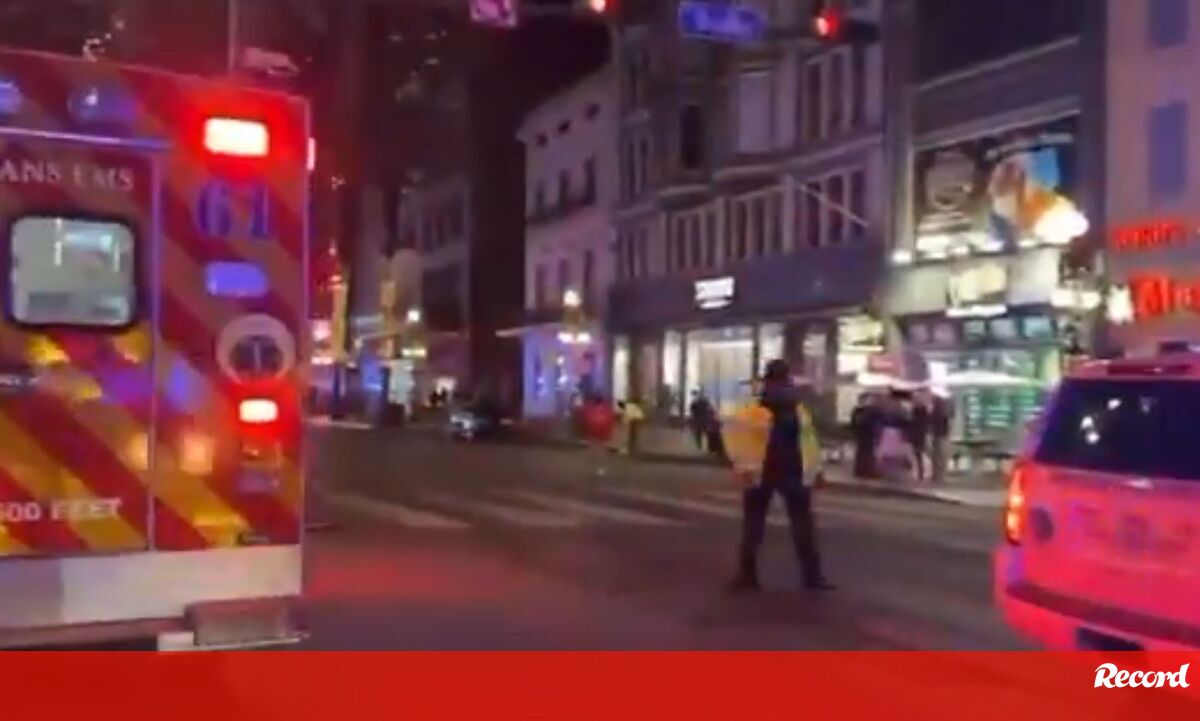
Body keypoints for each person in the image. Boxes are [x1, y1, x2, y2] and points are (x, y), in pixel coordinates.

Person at [723, 360, 832, 592]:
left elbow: (734, 438)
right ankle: (812, 577)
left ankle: (747, 576)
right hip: (793, 470)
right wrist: (816, 471)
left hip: (760, 471)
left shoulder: (753, 408)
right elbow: (809, 442)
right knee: (802, 525)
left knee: (754, 526)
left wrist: (740, 466)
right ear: (787, 378)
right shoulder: (798, 408)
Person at [849, 392, 880, 479]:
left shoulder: (867, 410)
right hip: (864, 434)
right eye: (869, 399)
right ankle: (863, 471)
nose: (870, 401)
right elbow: (857, 422)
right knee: (864, 453)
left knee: (866, 452)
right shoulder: (861, 410)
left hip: (867, 434)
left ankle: (864, 471)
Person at [929, 392, 953, 484]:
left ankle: (937, 475)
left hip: (939, 434)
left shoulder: (937, 411)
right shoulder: (944, 411)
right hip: (942, 434)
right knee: (941, 456)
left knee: (938, 456)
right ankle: (940, 475)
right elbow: (949, 422)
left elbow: (932, 423)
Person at [908, 394, 931, 482]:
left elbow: (913, 422)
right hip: (920, 433)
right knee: (918, 453)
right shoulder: (924, 410)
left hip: (917, 434)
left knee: (918, 453)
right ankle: (920, 472)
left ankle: (920, 472)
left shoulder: (916, 411)